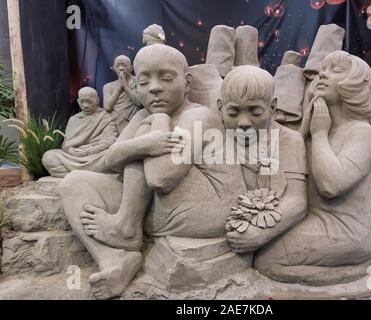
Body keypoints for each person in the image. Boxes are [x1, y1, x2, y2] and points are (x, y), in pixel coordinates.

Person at [58, 44, 244, 300]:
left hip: (204, 210)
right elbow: (111, 159)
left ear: (186, 81)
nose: (154, 88)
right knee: (73, 183)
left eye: (166, 78)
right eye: (144, 82)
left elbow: (161, 177)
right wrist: (143, 144)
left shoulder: (198, 116)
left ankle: (125, 226)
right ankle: (115, 260)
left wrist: (156, 124)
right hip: (161, 204)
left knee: (144, 142)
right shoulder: (142, 116)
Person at [255, 51, 371, 285]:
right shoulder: (314, 132)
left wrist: (320, 133)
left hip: (348, 230)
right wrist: (304, 133)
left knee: (267, 260)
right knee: (260, 243)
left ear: (356, 84)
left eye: (336, 70)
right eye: (323, 70)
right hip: (313, 219)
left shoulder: (362, 132)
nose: (323, 74)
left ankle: (356, 271)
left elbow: (331, 186)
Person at [218, 65, 308, 254]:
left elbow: (297, 201)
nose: (243, 122)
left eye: (255, 112)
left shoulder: (289, 141)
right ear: (220, 108)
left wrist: (260, 234)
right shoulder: (214, 138)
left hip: (268, 226)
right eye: (233, 113)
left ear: (273, 107)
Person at [42, 87, 118, 178]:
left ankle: (74, 174)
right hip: (74, 157)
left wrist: (96, 148)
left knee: (114, 155)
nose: (85, 105)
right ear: (78, 102)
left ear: (97, 100)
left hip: (96, 155)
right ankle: (80, 175)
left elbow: (111, 139)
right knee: (48, 156)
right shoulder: (73, 119)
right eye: (82, 102)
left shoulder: (104, 117)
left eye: (89, 101)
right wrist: (71, 150)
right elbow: (66, 144)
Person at [103, 55, 142, 133]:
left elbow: (140, 103)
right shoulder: (108, 86)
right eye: (117, 65)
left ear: (131, 68)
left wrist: (126, 88)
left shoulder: (138, 82)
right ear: (114, 68)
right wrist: (119, 87)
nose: (120, 68)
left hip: (134, 120)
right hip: (115, 121)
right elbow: (107, 107)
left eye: (123, 65)